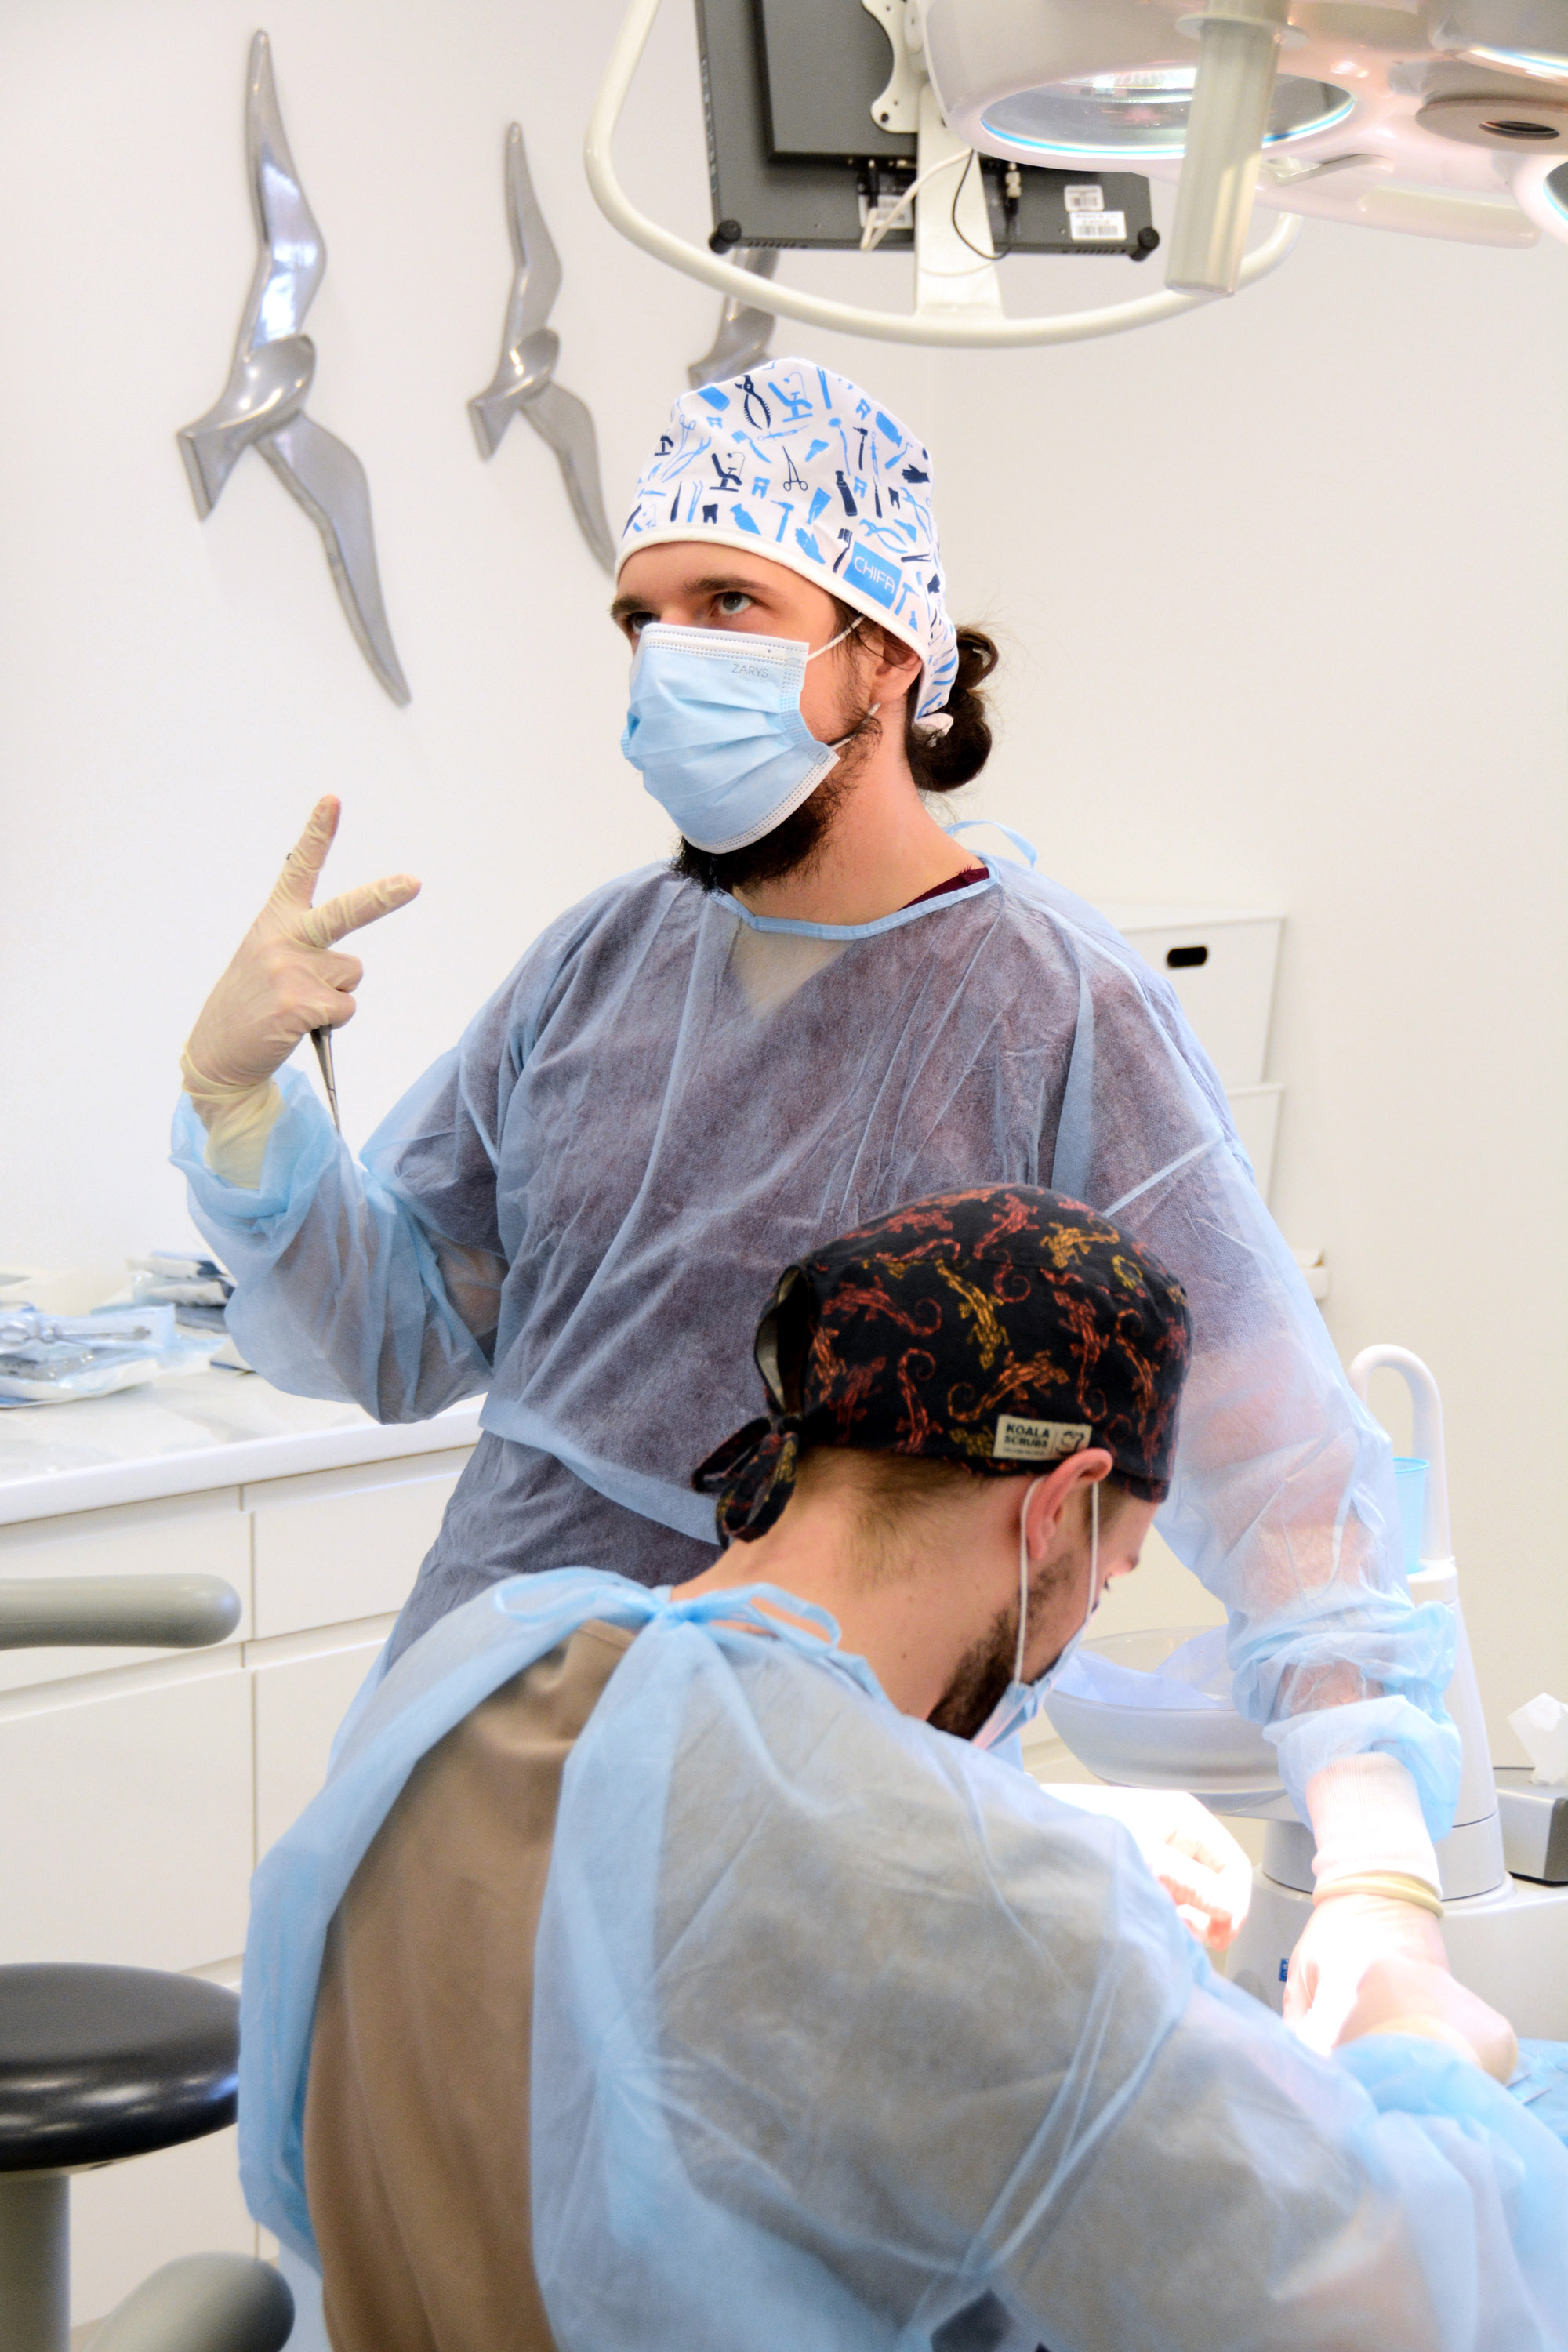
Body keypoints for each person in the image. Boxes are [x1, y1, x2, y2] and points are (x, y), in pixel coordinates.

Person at [178, 356, 1459, 2049]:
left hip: (829, 1841)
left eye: (729, 603)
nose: (667, 659)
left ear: (888, 652)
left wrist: (1379, 1873)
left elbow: (1276, 1469)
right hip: (480, 1766)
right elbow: (404, 1331)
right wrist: (242, 1107)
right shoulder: (597, 963)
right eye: (640, 620)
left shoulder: (1056, 1012)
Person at [240, 1190, 1561, 2352]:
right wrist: (1423, 2040)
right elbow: (1379, 2310)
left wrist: (1024, 1841)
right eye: (1106, 1578)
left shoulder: (479, 1667)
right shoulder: (971, 1897)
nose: (1082, 1616)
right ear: (1058, 1504)